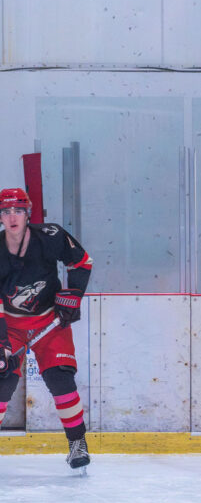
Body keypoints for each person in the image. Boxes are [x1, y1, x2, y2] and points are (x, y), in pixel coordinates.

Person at [0, 187, 93, 469]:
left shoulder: (50, 235)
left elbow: (82, 262)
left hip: (50, 320)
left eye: (18, 210)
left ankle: (77, 444)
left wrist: (72, 295)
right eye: (6, 211)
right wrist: (2, 342)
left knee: (60, 379)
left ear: (28, 214)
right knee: (2, 380)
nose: (12, 217)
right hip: (11, 324)